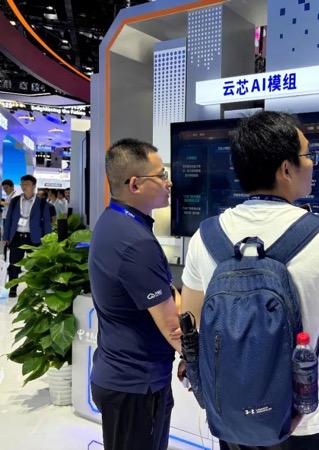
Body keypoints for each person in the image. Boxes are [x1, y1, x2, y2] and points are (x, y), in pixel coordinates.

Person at [180, 111, 319, 450]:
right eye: (308, 155)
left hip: (232, 420)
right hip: (309, 423)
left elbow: (191, 322)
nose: (313, 163)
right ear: (286, 169)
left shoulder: (206, 236)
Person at [88, 138, 182, 450]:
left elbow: (166, 293)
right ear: (135, 184)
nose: (168, 182)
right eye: (161, 175)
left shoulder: (114, 221)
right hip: (136, 386)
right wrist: (198, 362)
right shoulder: (135, 242)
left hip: (125, 378)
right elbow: (173, 326)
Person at [2, 175, 52, 297]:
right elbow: (8, 220)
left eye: (27, 184)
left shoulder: (41, 203)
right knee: (14, 264)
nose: (24, 186)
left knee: (35, 265)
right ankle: (13, 288)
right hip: (17, 237)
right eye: (22, 184)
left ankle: (33, 289)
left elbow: (46, 222)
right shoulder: (15, 201)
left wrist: (48, 240)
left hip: (34, 238)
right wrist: (5, 237)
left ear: (34, 186)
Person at [1, 179, 17, 260]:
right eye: (4, 188)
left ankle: (11, 257)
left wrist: (2, 203)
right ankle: (6, 256)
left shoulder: (16, 195)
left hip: (11, 221)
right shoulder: (9, 196)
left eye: (6, 187)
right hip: (6, 219)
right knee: (6, 239)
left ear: (12, 186)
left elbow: (12, 204)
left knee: (10, 239)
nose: (5, 190)